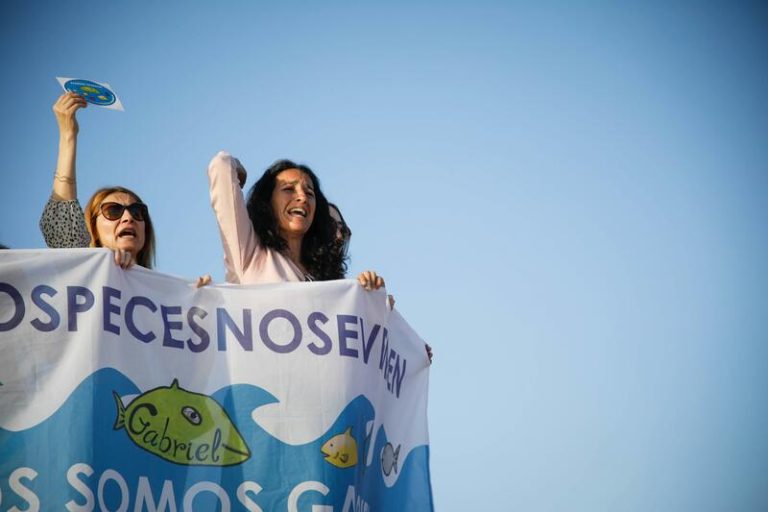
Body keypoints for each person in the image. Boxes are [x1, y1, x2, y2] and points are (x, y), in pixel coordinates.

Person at [208, 152, 383, 290]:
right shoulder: (249, 253)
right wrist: (238, 170)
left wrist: (371, 299)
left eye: (309, 193)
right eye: (288, 189)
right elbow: (221, 165)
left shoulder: (326, 281)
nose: (302, 197)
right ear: (267, 203)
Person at [39, 92, 155, 269]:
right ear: (93, 229)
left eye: (137, 212)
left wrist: (199, 293)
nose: (128, 217)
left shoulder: (165, 291)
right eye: (113, 211)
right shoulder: (81, 272)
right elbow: (61, 224)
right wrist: (68, 135)